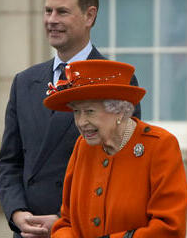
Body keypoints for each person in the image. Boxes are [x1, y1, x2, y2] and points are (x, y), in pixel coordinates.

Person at [0, 0, 142, 237]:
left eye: (62, 12)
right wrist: (17, 213)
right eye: (47, 11)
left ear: (89, 16)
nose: (51, 19)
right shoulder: (24, 81)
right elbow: (9, 162)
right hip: (27, 231)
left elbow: (123, 170)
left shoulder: (117, 81)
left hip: (83, 229)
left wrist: (63, 220)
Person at [43, 59, 187, 238]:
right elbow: (66, 222)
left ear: (118, 110)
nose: (80, 122)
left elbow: (170, 228)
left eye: (89, 111)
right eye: (76, 112)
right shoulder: (83, 146)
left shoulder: (159, 145)